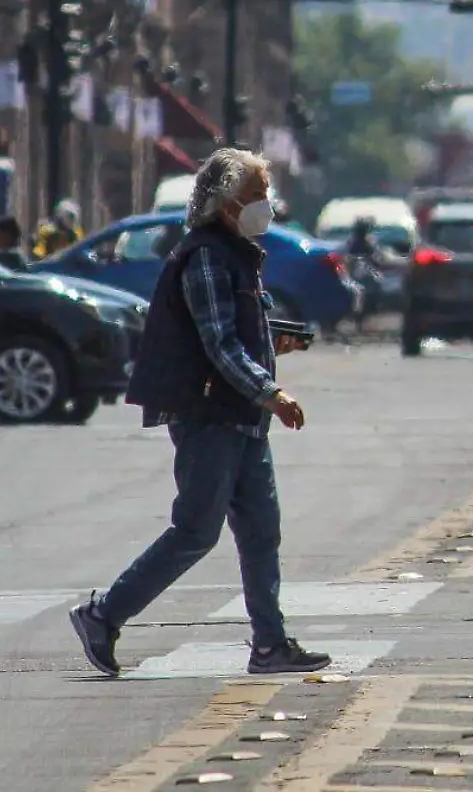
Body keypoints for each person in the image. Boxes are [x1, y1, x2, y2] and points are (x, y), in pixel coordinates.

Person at [68, 148, 330, 678]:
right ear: (226, 201)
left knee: (261, 530)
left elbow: (235, 333)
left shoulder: (236, 253)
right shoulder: (208, 256)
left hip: (240, 416)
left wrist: (274, 345)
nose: (266, 206)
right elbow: (218, 343)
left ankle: (270, 644)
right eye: (256, 195)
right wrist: (270, 393)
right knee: (195, 530)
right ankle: (104, 615)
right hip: (211, 415)